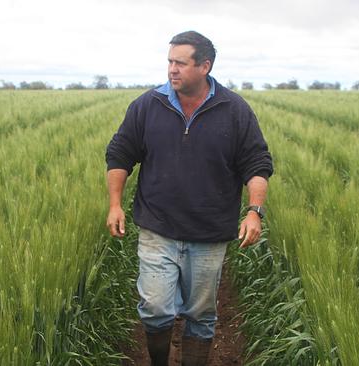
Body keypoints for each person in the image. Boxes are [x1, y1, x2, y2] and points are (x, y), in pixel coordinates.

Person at [105, 30, 273, 366]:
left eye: (180, 63)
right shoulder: (147, 106)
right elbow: (120, 155)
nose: (172, 69)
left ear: (205, 66)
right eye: (169, 61)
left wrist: (254, 211)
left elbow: (256, 162)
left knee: (200, 315)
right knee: (155, 308)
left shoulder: (234, 109)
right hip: (158, 228)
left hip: (209, 233)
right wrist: (114, 204)